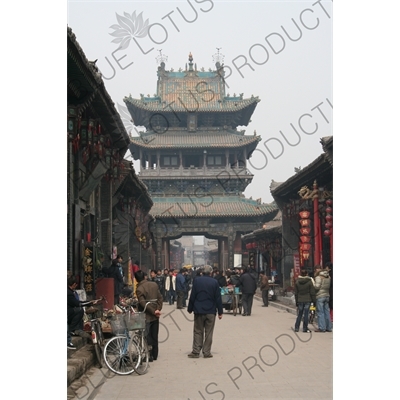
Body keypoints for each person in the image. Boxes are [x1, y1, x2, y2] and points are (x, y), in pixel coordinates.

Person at [187, 265, 223, 358]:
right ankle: (206, 352)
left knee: (198, 331)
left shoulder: (197, 281)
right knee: (209, 332)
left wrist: (190, 308)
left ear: (202, 272)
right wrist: (220, 312)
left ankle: (196, 351)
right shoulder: (215, 282)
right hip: (211, 311)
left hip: (199, 310)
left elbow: (193, 295)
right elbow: (218, 298)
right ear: (211, 273)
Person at [134, 270, 163, 361]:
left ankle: (149, 355)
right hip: (155, 314)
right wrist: (158, 309)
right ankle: (155, 354)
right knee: (155, 334)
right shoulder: (154, 285)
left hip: (147, 315)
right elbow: (160, 298)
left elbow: (142, 303)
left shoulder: (139, 289)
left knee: (147, 335)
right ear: (145, 276)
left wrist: (153, 311)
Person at [314, 267, 332, 332]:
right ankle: (329, 327)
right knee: (327, 312)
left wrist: (313, 285)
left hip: (320, 295)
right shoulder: (328, 277)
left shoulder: (318, 277)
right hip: (327, 295)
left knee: (320, 312)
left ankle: (322, 327)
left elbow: (317, 287)